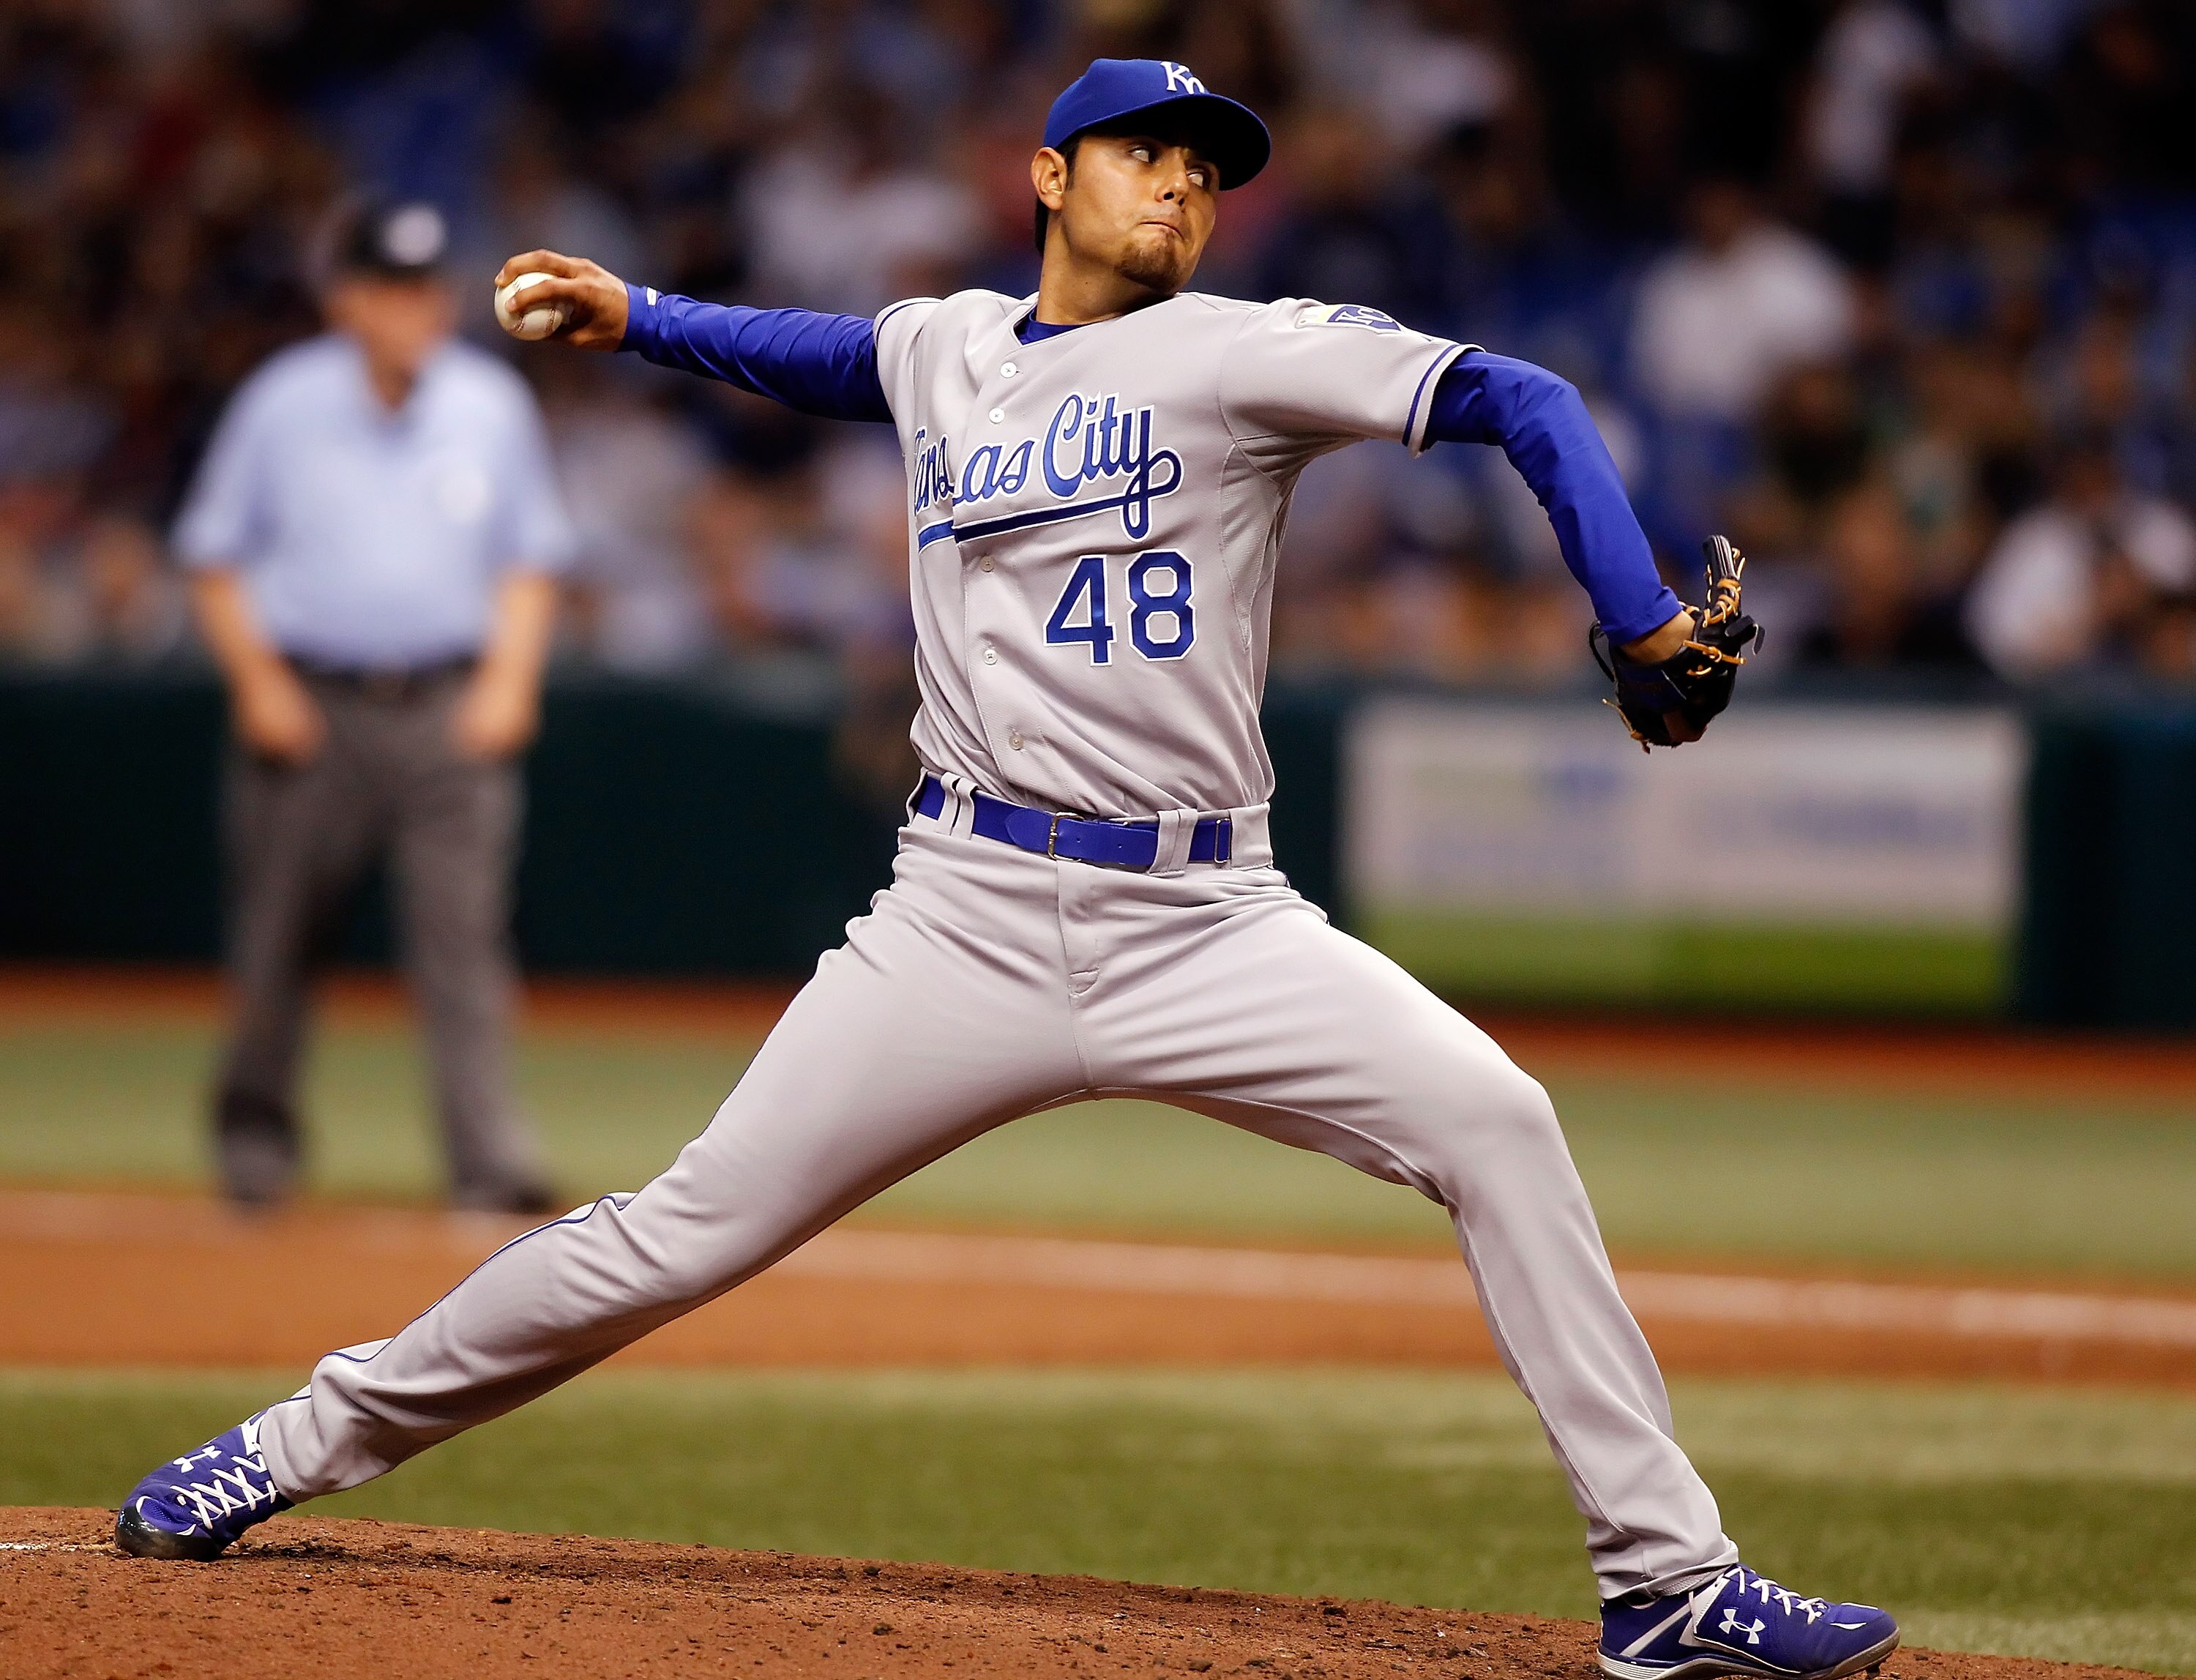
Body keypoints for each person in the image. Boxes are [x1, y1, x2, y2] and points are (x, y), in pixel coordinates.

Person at [117, 61, 1900, 1680]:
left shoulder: (1243, 350)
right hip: (958, 917)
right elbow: (823, 357)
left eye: (1210, 170)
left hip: (1209, 918)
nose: (1184, 191)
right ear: (1048, 173)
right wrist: (637, 312)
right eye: (1148, 156)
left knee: (1500, 1121)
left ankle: (1665, 1578)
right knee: (677, 1233)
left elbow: (1525, 395)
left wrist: (1642, 610)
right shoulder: (944, 346)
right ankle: (287, 1443)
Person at [171, 200, 577, 1214]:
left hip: (448, 703)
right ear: (347, 297)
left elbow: (530, 563)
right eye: (395, 289)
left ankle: (487, 1161)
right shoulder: (283, 401)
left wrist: (510, 682)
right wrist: (261, 684)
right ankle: (254, 1144)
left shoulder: (487, 402)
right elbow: (213, 558)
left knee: (465, 945)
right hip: (314, 702)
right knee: (278, 940)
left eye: (430, 288)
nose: (418, 309)